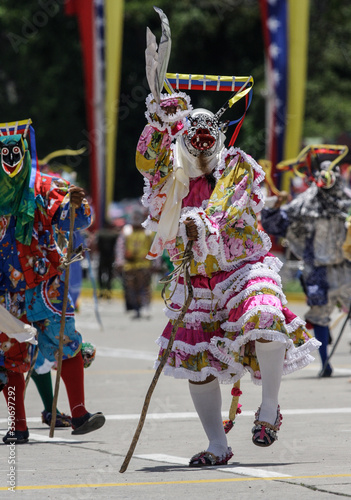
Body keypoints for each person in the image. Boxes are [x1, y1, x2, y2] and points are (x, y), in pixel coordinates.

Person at [135, 12, 321, 465]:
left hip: (242, 266)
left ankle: (270, 409)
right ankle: (218, 444)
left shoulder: (238, 164)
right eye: (191, 136)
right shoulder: (169, 173)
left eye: (206, 135)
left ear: (218, 136)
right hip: (196, 276)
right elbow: (145, 163)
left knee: (265, 317)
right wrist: (159, 121)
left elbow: (227, 208)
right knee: (196, 360)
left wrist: (203, 224)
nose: (200, 144)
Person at [0, 119, 105, 444]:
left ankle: (78, 414)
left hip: (45, 285)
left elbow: (78, 219)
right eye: (3, 151)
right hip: (6, 291)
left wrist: (75, 206)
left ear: (26, 150)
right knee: (8, 357)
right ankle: (18, 426)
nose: (10, 157)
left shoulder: (45, 185)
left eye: (15, 150)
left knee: (66, 343)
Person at [261, 147, 351, 378]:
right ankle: (325, 362)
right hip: (317, 271)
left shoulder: (347, 201)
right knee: (320, 314)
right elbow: (277, 222)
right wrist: (273, 204)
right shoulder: (306, 202)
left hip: (345, 267)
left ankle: (326, 361)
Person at [116, 212, 154, 319]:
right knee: (131, 288)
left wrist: (155, 263)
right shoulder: (126, 231)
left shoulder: (148, 232)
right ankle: (135, 308)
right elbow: (120, 247)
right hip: (129, 265)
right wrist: (120, 262)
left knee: (144, 287)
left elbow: (155, 248)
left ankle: (145, 307)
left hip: (144, 264)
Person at [95, 221, 119, 299]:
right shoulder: (114, 235)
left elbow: (97, 245)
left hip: (102, 256)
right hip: (110, 257)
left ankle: (101, 291)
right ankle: (108, 291)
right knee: (110, 274)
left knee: (100, 274)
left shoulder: (100, 234)